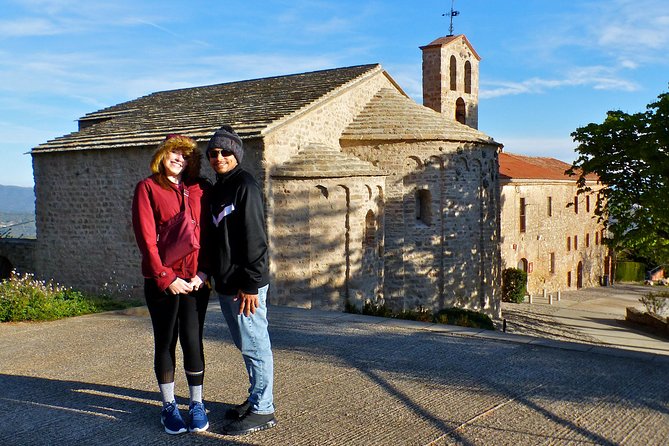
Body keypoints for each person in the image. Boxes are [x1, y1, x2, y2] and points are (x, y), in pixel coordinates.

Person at [131, 134, 212, 435]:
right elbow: (146, 238)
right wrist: (167, 278)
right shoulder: (148, 188)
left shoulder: (201, 188)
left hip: (195, 281)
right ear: (163, 155)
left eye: (186, 155)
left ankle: (197, 404)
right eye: (174, 153)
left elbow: (209, 236)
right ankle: (168, 407)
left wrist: (204, 273)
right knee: (165, 342)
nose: (180, 159)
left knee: (193, 341)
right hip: (163, 282)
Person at [206, 125, 277, 436]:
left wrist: (250, 285)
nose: (218, 157)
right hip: (228, 283)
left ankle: (264, 410)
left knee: (256, 345)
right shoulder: (220, 187)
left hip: (244, 286)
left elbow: (256, 239)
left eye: (224, 151)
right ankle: (256, 398)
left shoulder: (244, 185)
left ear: (236, 153)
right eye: (212, 153)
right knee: (246, 345)